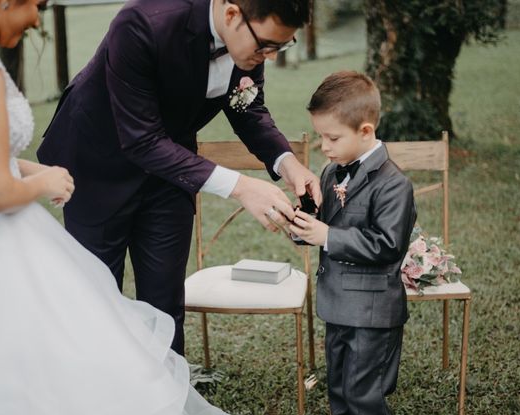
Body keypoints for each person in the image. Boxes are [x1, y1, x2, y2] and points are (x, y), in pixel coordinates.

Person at [0, 0, 247, 415]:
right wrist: (46, 184)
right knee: (57, 361)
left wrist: (35, 168)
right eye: (35, 5)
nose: (38, 19)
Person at [37, 0, 322, 356]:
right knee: (96, 298)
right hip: (97, 168)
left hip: (172, 173)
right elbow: (141, 139)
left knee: (165, 303)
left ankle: (167, 402)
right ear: (232, 14)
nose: (271, 57)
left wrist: (287, 163)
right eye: (266, 45)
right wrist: (241, 187)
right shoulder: (141, 22)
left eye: (280, 47)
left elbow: (247, 108)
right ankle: (101, 403)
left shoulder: (247, 45)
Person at [289, 71, 416, 415]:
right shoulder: (331, 173)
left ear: (365, 130)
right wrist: (303, 222)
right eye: (320, 137)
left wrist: (328, 234)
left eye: (331, 138)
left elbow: (387, 246)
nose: (324, 147)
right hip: (338, 307)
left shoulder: (394, 184)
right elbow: (327, 227)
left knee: (366, 398)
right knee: (340, 395)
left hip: (373, 313)